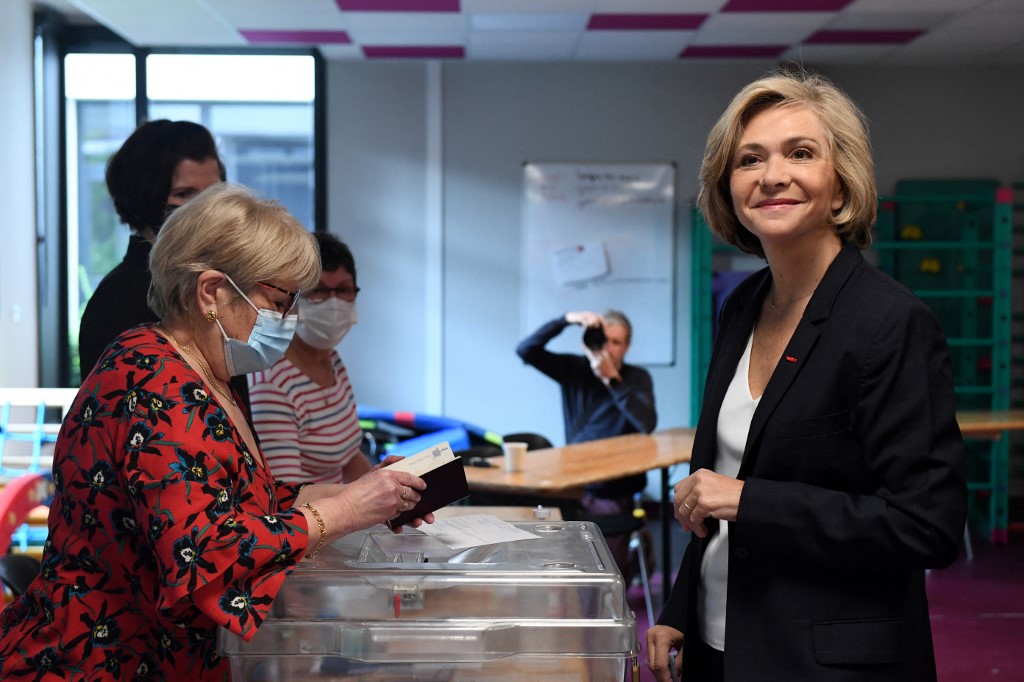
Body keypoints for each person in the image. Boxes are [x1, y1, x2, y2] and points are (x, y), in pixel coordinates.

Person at [0, 184, 432, 680]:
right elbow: (205, 550)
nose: (290, 320)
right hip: (102, 660)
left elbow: (242, 499)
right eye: (279, 301)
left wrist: (368, 493)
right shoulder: (153, 384)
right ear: (211, 292)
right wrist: (347, 509)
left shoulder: (200, 373)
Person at [646, 69, 966, 682]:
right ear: (728, 186)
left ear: (842, 182)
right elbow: (722, 485)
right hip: (721, 649)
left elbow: (927, 526)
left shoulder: (890, 322)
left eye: (801, 153)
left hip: (827, 665)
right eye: (750, 159)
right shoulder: (741, 308)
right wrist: (683, 606)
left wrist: (749, 500)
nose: (772, 176)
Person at [78, 119, 225, 380]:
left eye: (214, 193)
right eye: (184, 194)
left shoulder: (215, 281)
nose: (205, 207)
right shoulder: (117, 300)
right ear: (145, 197)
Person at [516, 310, 657, 576]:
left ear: (627, 346)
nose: (608, 349)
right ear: (588, 343)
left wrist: (611, 380)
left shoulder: (636, 377)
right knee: (572, 557)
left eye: (616, 342)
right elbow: (525, 350)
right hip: (576, 481)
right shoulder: (575, 369)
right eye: (604, 341)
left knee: (607, 566)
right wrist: (566, 319)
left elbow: (646, 423)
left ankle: (619, 572)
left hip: (616, 484)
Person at [249, 232, 369, 485]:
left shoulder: (332, 361)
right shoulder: (272, 385)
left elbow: (348, 460)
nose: (333, 304)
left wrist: (394, 485)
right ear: (292, 299)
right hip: (311, 520)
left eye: (344, 290)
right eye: (318, 292)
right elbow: (288, 498)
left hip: (346, 515)